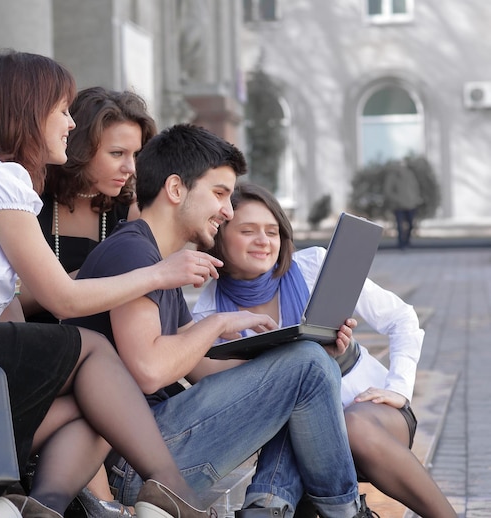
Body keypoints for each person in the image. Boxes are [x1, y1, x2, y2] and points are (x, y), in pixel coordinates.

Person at [0, 51, 220, 518]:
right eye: (62, 110)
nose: (71, 124)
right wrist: (159, 273)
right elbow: (62, 300)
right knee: (92, 349)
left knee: (94, 402)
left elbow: (9, 311)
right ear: (28, 111)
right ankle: (177, 495)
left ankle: (36, 508)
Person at [69, 124, 377, 518]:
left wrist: (282, 360)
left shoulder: (157, 259)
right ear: (176, 189)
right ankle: (342, 511)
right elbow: (148, 370)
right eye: (219, 194)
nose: (228, 211)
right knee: (308, 367)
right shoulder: (133, 254)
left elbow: (199, 366)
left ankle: (271, 506)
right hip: (135, 464)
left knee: (307, 365)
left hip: (152, 447)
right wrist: (217, 324)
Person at [192, 182, 456, 518]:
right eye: (248, 230)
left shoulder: (313, 266)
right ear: (220, 236)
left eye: (272, 231)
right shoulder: (209, 313)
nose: (264, 241)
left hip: (370, 417)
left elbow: (402, 318)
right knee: (294, 400)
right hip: (297, 441)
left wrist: (399, 388)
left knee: (352, 425)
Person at [20, 86, 157, 518]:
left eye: (135, 155)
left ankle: (95, 504)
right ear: (80, 148)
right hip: (43, 362)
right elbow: (10, 303)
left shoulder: (125, 216)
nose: (129, 168)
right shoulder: (31, 205)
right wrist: (88, 278)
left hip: (117, 368)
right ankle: (104, 504)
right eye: (117, 153)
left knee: (104, 384)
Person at [383, 162, 422, 250]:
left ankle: (407, 242)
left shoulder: (409, 175)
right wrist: (397, 199)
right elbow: (388, 191)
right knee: (400, 225)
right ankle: (401, 244)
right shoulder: (392, 177)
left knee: (411, 224)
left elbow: (415, 187)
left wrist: (415, 198)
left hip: (410, 204)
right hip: (398, 205)